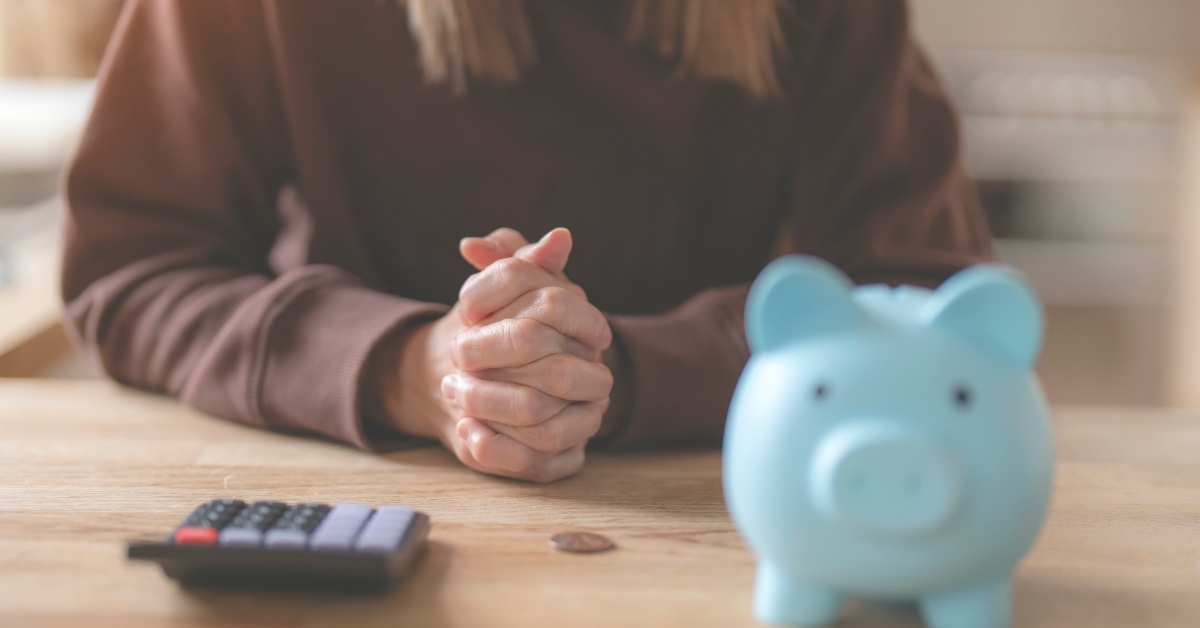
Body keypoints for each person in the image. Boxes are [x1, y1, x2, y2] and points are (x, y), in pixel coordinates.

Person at [62, 0, 991, 483]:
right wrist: (404, 368)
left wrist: (621, 373)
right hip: (357, 505)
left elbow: (923, 300)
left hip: (739, 526)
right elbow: (134, 267)